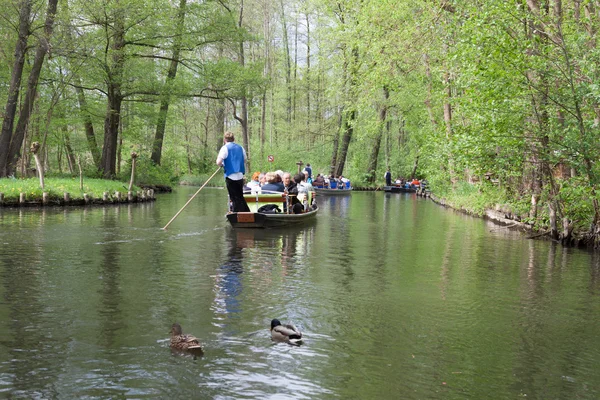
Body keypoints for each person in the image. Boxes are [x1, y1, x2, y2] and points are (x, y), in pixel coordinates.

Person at [216, 131, 250, 212]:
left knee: (234, 197)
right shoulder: (241, 147)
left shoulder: (225, 148)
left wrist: (222, 165)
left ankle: (237, 213)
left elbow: (218, 162)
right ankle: (245, 212)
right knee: (240, 196)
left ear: (225, 140)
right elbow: (245, 160)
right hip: (240, 175)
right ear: (234, 139)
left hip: (230, 175)